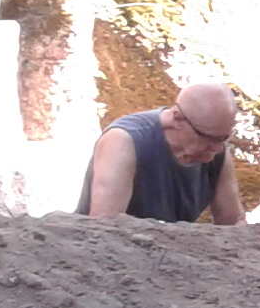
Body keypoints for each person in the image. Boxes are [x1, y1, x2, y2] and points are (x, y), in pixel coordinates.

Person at [76, 81, 247, 224]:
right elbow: (104, 225)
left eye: (224, 138)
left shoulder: (215, 152)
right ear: (177, 119)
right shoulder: (124, 141)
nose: (218, 148)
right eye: (210, 138)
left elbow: (233, 221)